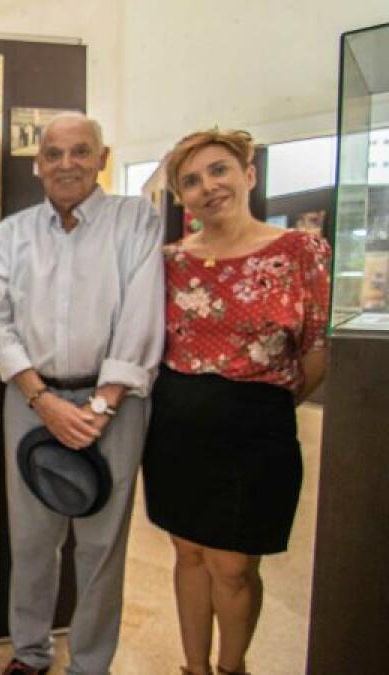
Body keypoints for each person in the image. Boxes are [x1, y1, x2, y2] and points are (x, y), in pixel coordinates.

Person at [143, 129, 331, 675]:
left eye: (219, 170)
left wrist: (259, 406)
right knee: (189, 554)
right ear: (182, 197)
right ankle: (194, 668)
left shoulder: (301, 250)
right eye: (192, 180)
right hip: (176, 427)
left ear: (248, 175)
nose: (209, 187)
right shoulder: (170, 260)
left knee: (233, 565)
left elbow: (315, 351)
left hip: (256, 428)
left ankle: (232, 669)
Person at [0, 112, 164, 675]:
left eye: (80, 152)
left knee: (101, 546)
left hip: (117, 402)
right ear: (38, 164)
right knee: (33, 540)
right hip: (31, 399)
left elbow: (141, 313)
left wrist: (103, 402)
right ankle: (30, 654)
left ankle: (90, 664)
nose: (67, 164)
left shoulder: (136, 221)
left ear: (102, 159)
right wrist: (44, 402)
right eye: (55, 154)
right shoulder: (10, 235)